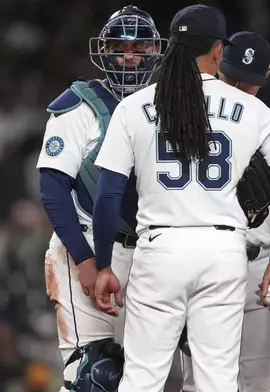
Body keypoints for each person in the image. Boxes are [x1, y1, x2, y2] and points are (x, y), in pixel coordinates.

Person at [90, 5, 270, 391]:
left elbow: (108, 194)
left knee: (142, 377)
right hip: (224, 250)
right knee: (217, 380)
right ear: (219, 51)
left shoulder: (133, 107)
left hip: (160, 247)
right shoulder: (253, 109)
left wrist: (104, 264)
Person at [36, 5, 164, 391]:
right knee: (95, 374)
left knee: (140, 377)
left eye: (139, 46)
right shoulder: (81, 104)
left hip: (150, 253)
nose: (129, 56)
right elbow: (53, 188)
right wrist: (86, 260)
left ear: (155, 51)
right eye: (118, 46)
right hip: (87, 243)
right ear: (102, 50)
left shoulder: (170, 103)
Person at [180, 31, 270, 392]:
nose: (240, 88)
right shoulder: (190, 120)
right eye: (233, 78)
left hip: (260, 267)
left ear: (267, 77)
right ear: (218, 64)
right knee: (199, 383)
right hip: (203, 262)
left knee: (261, 383)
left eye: (250, 82)